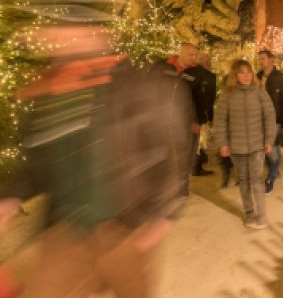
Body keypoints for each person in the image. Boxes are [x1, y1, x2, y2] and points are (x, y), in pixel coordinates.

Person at [0, 25, 187, 298]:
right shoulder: (50, 90)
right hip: (65, 228)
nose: (66, 39)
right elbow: (39, 158)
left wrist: (166, 210)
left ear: (98, 31)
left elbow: (170, 146)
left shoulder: (134, 83)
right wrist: (12, 195)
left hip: (124, 224)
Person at [214, 60, 276, 229]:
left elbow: (269, 117)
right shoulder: (227, 95)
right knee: (244, 180)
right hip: (237, 147)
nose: (246, 75)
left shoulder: (260, 92)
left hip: (257, 145)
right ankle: (249, 213)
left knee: (257, 180)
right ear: (235, 75)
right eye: (241, 72)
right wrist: (223, 144)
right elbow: (220, 121)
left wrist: (269, 140)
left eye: (248, 72)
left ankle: (261, 215)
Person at [256, 49, 283, 194]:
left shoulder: (281, 78)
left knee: (274, 150)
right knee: (264, 149)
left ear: (272, 60)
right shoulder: (257, 77)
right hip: (259, 121)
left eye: (263, 59)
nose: (261, 62)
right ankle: (275, 170)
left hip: (276, 121)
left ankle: (270, 178)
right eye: (259, 59)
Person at [183, 52, 217, 176]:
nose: (209, 61)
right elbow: (205, 98)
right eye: (205, 59)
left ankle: (197, 165)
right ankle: (195, 168)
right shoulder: (200, 74)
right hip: (196, 115)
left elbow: (210, 98)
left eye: (209, 59)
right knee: (197, 142)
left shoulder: (205, 74)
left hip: (198, 114)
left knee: (198, 141)